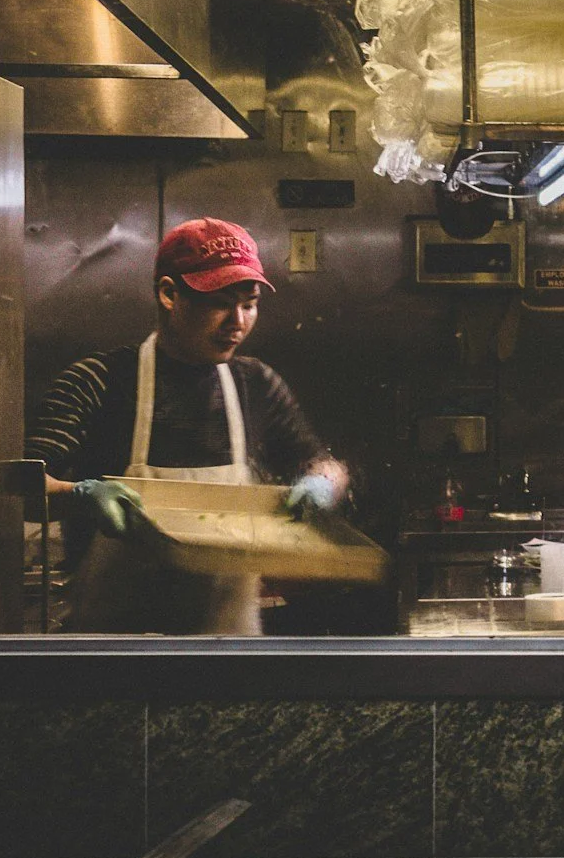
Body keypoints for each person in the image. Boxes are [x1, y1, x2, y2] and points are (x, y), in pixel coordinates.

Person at [29, 218, 348, 634]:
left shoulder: (255, 384)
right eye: (220, 303)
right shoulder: (99, 380)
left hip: (226, 648)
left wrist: (321, 486)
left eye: (249, 304)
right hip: (113, 651)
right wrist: (81, 496)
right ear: (168, 293)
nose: (237, 321)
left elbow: (320, 462)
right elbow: (20, 486)